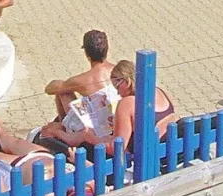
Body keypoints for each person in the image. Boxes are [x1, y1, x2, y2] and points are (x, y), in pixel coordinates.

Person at [52, 59, 181, 156]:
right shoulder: (160, 92)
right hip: (164, 152)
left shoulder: (127, 103)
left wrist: (90, 138)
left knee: (81, 145)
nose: (118, 93)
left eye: (117, 87)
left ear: (127, 81)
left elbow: (116, 148)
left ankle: (55, 134)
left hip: (137, 161)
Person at [41, 30, 115, 122]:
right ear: (107, 49)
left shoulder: (83, 80)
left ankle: (64, 127)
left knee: (63, 93)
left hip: (99, 125)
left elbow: (50, 89)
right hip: (116, 118)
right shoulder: (118, 70)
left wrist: (63, 84)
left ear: (86, 53)